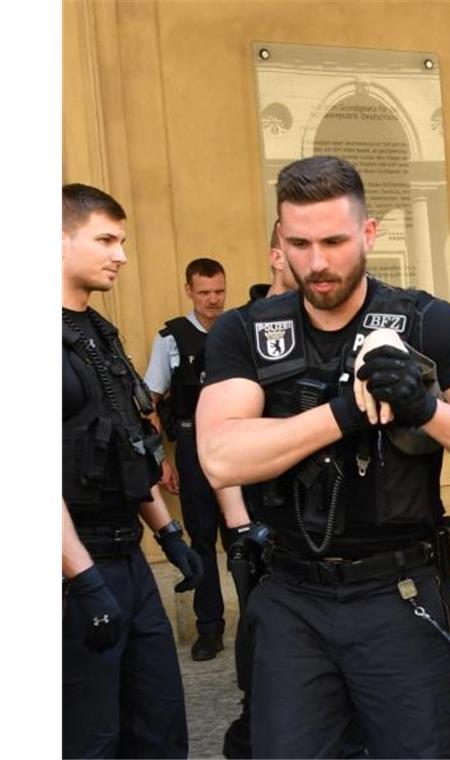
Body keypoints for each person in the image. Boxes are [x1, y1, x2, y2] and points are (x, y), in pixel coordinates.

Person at [196, 155, 450, 758]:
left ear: (368, 233)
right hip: (292, 595)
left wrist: (427, 409)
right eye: (299, 242)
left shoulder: (430, 323)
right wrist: (342, 414)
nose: (317, 261)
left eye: (334, 241)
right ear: (279, 240)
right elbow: (220, 457)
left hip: (398, 595)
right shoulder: (246, 332)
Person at [62, 183, 204, 757]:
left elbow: (126, 445)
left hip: (127, 560)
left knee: (160, 726)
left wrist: (169, 536)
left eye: (121, 240)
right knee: (91, 737)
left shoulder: (98, 333)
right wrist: (82, 577)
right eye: (105, 239)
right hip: (75, 569)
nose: (120, 254)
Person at [219, 225, 300, 759]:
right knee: (262, 660)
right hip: (260, 528)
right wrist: (240, 528)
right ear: (277, 254)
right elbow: (219, 446)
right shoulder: (243, 332)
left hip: (317, 528)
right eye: (301, 247)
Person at [144, 256, 229, 661]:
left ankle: (262, 626)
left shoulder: (238, 331)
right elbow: (149, 402)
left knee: (248, 538)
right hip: (193, 448)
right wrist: (162, 458)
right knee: (202, 541)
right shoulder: (171, 339)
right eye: (205, 292)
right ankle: (209, 629)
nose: (213, 300)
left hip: (238, 445)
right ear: (189, 291)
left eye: (219, 292)